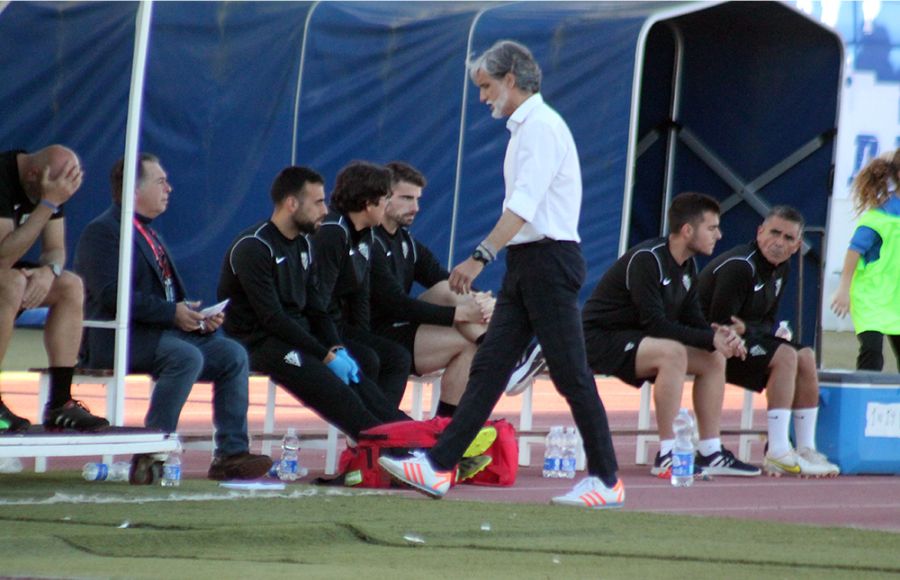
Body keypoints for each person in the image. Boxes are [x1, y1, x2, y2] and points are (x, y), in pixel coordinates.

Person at [379, 40, 624, 508]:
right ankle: (437, 466)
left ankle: (607, 478)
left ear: (510, 80)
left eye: (486, 86)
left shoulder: (540, 129)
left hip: (548, 261)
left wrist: (480, 256)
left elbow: (522, 209)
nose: (482, 96)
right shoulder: (527, 129)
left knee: (572, 373)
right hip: (529, 261)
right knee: (490, 367)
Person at [75, 153, 271, 483]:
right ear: (132, 190)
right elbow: (110, 295)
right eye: (161, 181)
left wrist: (193, 315)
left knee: (232, 355)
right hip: (118, 338)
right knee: (185, 356)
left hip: (160, 333)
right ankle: (152, 451)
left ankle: (231, 454)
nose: (170, 188)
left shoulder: (149, 234)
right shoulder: (104, 232)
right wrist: (172, 313)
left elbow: (164, 297)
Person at [217, 165, 413, 439]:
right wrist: (325, 355)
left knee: (362, 384)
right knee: (336, 392)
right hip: (260, 343)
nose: (325, 209)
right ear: (291, 203)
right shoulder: (254, 247)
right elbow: (272, 317)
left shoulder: (304, 245)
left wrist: (336, 347)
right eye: (318, 202)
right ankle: (392, 448)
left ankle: (420, 438)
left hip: (296, 336)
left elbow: (316, 310)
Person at [582, 192, 760, 478]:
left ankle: (712, 451)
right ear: (688, 230)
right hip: (600, 339)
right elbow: (656, 325)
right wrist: (707, 338)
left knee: (713, 358)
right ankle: (667, 453)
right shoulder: (647, 259)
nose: (719, 235)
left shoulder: (688, 266)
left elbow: (694, 321)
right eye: (712, 228)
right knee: (673, 352)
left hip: (640, 341)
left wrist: (722, 337)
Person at [369, 161, 544, 418]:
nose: (415, 208)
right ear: (383, 198)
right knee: (447, 294)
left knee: (465, 330)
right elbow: (393, 303)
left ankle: (445, 429)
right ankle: (506, 355)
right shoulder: (369, 240)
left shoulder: (406, 242)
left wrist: (484, 301)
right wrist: (459, 315)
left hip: (404, 329)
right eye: (406, 198)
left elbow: (448, 279)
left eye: (418, 199)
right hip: (374, 334)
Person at [698, 206, 839, 477]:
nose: (779, 243)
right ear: (760, 232)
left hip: (745, 341)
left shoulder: (780, 269)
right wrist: (749, 331)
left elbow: (764, 323)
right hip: (710, 346)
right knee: (786, 355)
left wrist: (749, 329)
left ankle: (805, 447)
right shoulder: (740, 266)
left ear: (797, 246)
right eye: (774, 233)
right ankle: (777, 450)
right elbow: (719, 324)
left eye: (788, 238)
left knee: (806, 355)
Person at [0, 145, 109, 433]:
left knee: (70, 285)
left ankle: (60, 402)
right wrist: (47, 204)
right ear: (34, 173)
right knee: (11, 281)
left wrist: (48, 272)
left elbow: (55, 249)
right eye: (55, 193)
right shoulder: (5, 178)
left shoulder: (50, 185)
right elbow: (3, 258)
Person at [311, 161, 412, 408]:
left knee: (397, 356)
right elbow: (318, 301)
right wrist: (333, 346)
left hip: (339, 324)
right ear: (368, 204)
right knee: (367, 358)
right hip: (314, 327)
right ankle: (367, 429)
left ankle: (383, 428)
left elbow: (361, 295)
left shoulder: (366, 233)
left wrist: (365, 336)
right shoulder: (332, 232)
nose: (388, 205)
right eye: (385, 199)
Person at [831, 149, 900, 371]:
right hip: (871, 295)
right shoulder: (880, 216)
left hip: (896, 297)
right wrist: (843, 289)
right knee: (872, 351)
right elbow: (854, 251)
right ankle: (862, 400)